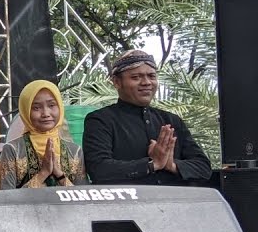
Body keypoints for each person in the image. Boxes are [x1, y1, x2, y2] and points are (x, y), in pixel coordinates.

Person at [84, 50, 212, 186]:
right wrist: (152, 164)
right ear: (116, 82)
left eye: (151, 76)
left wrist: (171, 165)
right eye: (136, 77)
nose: (146, 82)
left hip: (175, 204)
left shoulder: (172, 121)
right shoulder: (100, 120)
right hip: (126, 205)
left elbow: (204, 168)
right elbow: (99, 169)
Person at [0, 80, 86, 189]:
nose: (46, 113)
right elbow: (6, 199)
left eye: (51, 105)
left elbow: (83, 197)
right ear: (25, 111)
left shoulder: (75, 151)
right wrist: (43, 173)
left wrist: (59, 174)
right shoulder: (12, 150)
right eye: (36, 108)